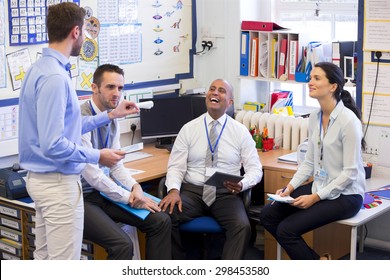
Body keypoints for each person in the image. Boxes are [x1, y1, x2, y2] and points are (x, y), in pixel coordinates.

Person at [18, 3, 139, 260]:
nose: (84, 37)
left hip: (43, 180)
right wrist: (98, 156)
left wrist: (110, 115)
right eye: (84, 31)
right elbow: (53, 144)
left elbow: (66, 127)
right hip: (58, 185)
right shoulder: (55, 78)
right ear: (75, 32)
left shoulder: (40, 69)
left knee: (45, 259)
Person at [260, 62, 366, 260]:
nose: (310, 82)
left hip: (347, 195)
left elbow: (350, 173)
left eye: (317, 78)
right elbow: (309, 162)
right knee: (267, 215)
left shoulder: (349, 122)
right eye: (311, 78)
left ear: (333, 86)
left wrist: (315, 197)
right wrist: (289, 188)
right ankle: (319, 262)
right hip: (320, 186)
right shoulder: (315, 117)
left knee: (286, 230)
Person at [159, 79, 263, 259]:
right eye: (212, 89)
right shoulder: (188, 129)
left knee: (241, 226)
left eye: (221, 90)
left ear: (230, 102)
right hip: (193, 192)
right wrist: (174, 190)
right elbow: (176, 166)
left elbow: (255, 169)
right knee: (164, 217)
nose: (215, 93)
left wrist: (243, 184)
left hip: (225, 193)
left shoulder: (240, 132)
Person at [80, 64, 171, 260]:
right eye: (110, 87)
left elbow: (116, 164)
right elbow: (93, 176)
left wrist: (135, 187)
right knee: (122, 245)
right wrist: (129, 197)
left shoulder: (112, 117)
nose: (116, 93)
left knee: (161, 221)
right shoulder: (81, 119)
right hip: (82, 198)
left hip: (105, 193)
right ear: (94, 88)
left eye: (120, 88)